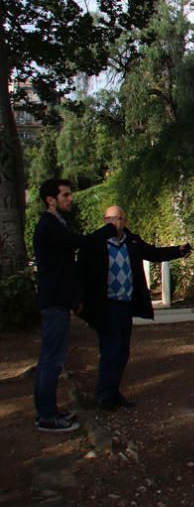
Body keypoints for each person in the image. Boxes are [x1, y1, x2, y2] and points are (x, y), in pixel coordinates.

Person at [79, 206, 191, 411]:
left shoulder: (132, 242)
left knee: (122, 350)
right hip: (106, 305)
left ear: (124, 221)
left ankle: (113, 391)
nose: (113, 223)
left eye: (117, 219)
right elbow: (82, 273)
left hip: (125, 303)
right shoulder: (96, 244)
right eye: (108, 219)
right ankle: (104, 396)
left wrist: (178, 251)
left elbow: (153, 254)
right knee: (110, 349)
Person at [32, 179, 116, 433]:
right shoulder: (49, 225)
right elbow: (79, 243)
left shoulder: (55, 224)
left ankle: (49, 411)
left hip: (58, 300)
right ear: (51, 199)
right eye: (65, 195)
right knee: (51, 359)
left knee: (53, 358)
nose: (70, 199)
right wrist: (107, 230)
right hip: (54, 302)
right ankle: (46, 416)